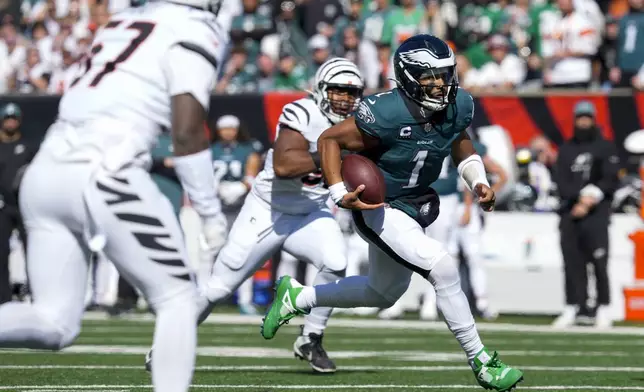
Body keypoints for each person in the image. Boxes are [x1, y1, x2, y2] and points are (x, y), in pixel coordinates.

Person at [261, 35, 524, 392]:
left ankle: (298, 297)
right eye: (429, 77)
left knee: (382, 293)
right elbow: (329, 141)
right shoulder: (384, 111)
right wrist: (340, 192)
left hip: (416, 202)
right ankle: (481, 361)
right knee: (442, 266)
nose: (439, 84)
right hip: (380, 205)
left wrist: (476, 180)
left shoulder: (458, 105)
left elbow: (462, 146)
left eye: (444, 75)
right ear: (408, 76)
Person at [0, 1, 235, 391]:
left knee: (55, 322)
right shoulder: (196, 26)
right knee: (177, 298)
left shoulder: (125, 20)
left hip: (47, 169)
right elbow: (188, 130)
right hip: (106, 168)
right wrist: (211, 214)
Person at [172, 57, 364, 374]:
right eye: (338, 90)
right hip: (268, 210)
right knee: (218, 287)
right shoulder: (302, 111)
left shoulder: (359, 123)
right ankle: (171, 342)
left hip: (310, 212)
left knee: (335, 262)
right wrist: (335, 151)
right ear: (321, 88)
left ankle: (310, 337)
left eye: (351, 92)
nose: (344, 98)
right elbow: (284, 166)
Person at [552, 100, 620, 329]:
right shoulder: (566, 148)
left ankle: (603, 307)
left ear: (593, 119)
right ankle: (573, 306)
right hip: (570, 212)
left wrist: (590, 199)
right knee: (572, 263)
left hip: (597, 215)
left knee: (599, 262)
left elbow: (611, 178)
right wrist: (579, 199)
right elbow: (560, 180)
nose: (583, 121)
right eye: (580, 117)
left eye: (587, 118)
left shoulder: (605, 147)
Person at [209, 114, 262, 315]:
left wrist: (241, 186)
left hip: (241, 206)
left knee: (243, 251)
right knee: (210, 251)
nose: (228, 132)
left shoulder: (248, 148)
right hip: (216, 205)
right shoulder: (210, 149)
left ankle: (245, 299)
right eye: (225, 128)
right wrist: (216, 187)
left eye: (232, 128)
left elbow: (253, 171)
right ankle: (205, 295)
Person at [0, 103, 38, 305]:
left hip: (24, 205)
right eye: (7, 118)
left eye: (14, 118)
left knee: (33, 251)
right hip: (3, 206)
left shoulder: (28, 148)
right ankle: (3, 298)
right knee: (1, 253)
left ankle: (36, 293)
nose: (11, 121)